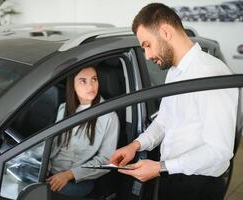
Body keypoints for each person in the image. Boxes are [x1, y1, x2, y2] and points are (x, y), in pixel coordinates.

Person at [109, 3, 238, 200]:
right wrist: (135, 145)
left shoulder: (211, 74)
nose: (148, 55)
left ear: (165, 32)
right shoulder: (174, 72)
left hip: (198, 185)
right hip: (172, 175)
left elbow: (219, 151)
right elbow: (164, 120)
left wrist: (160, 167)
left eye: (147, 45)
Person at [47, 66, 120, 197]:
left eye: (94, 79)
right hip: (51, 171)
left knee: (42, 193)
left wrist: (69, 175)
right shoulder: (64, 108)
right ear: (72, 85)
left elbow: (107, 160)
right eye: (83, 81)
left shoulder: (108, 116)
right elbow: (52, 144)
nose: (91, 86)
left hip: (79, 179)